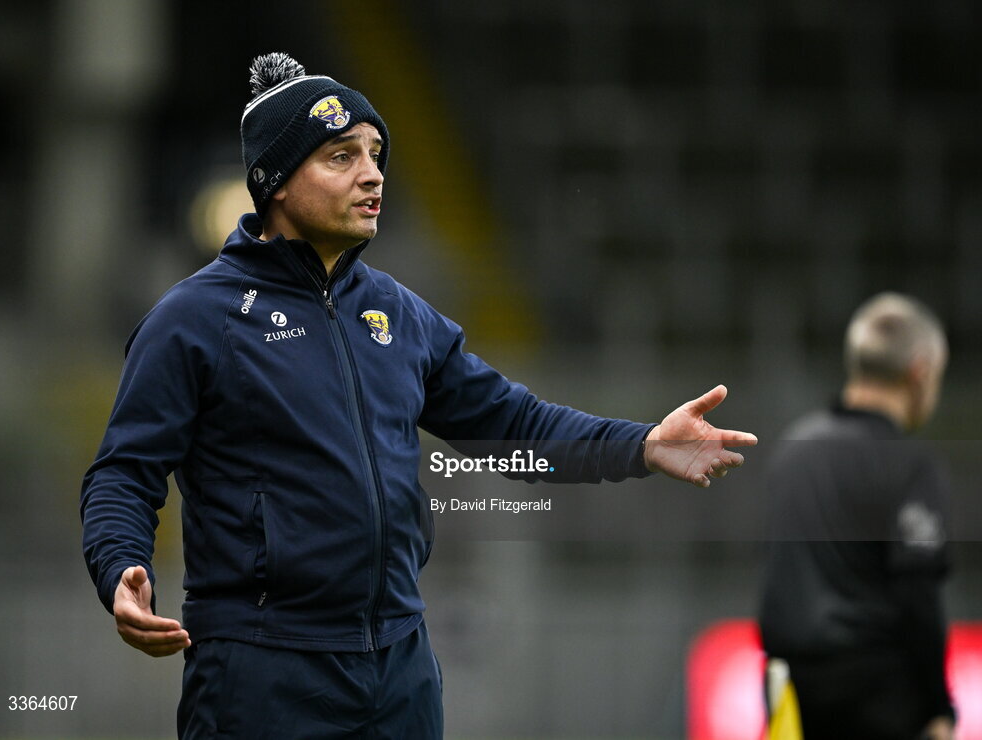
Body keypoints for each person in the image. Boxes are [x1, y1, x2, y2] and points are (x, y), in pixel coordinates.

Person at [81, 52, 757, 739]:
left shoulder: (399, 315)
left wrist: (640, 445)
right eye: (341, 156)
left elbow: (511, 425)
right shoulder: (194, 320)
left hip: (397, 668)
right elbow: (122, 475)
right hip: (262, 669)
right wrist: (121, 567)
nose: (372, 173)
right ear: (276, 182)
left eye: (376, 153)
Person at [758, 292, 955, 740]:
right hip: (882, 704)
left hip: (792, 700)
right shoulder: (910, 466)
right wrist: (937, 708)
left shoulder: (793, 450)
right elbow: (918, 594)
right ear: (920, 371)